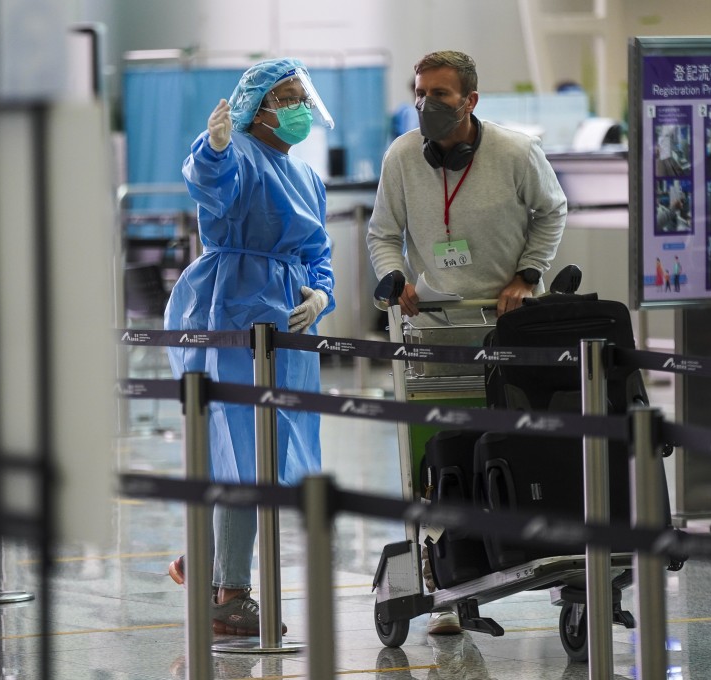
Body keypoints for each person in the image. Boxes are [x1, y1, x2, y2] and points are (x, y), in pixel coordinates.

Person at [367, 50, 567, 635]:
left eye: (441, 94)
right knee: (439, 455)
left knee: (515, 449)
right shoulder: (404, 157)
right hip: (435, 329)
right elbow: (383, 233)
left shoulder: (516, 152)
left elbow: (551, 212)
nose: (426, 104)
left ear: (471, 100)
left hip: (508, 326)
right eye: (419, 92)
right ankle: (449, 581)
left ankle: (542, 561)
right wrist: (396, 279)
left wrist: (528, 275)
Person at [163, 57, 336, 636]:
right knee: (242, 450)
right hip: (231, 310)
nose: (298, 109)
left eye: (301, 97)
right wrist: (211, 148)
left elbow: (319, 253)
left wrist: (321, 295)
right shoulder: (234, 152)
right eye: (286, 99)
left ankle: (207, 561)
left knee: (271, 452)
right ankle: (229, 593)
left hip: (289, 324)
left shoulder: (307, 177)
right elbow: (209, 184)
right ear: (256, 108)